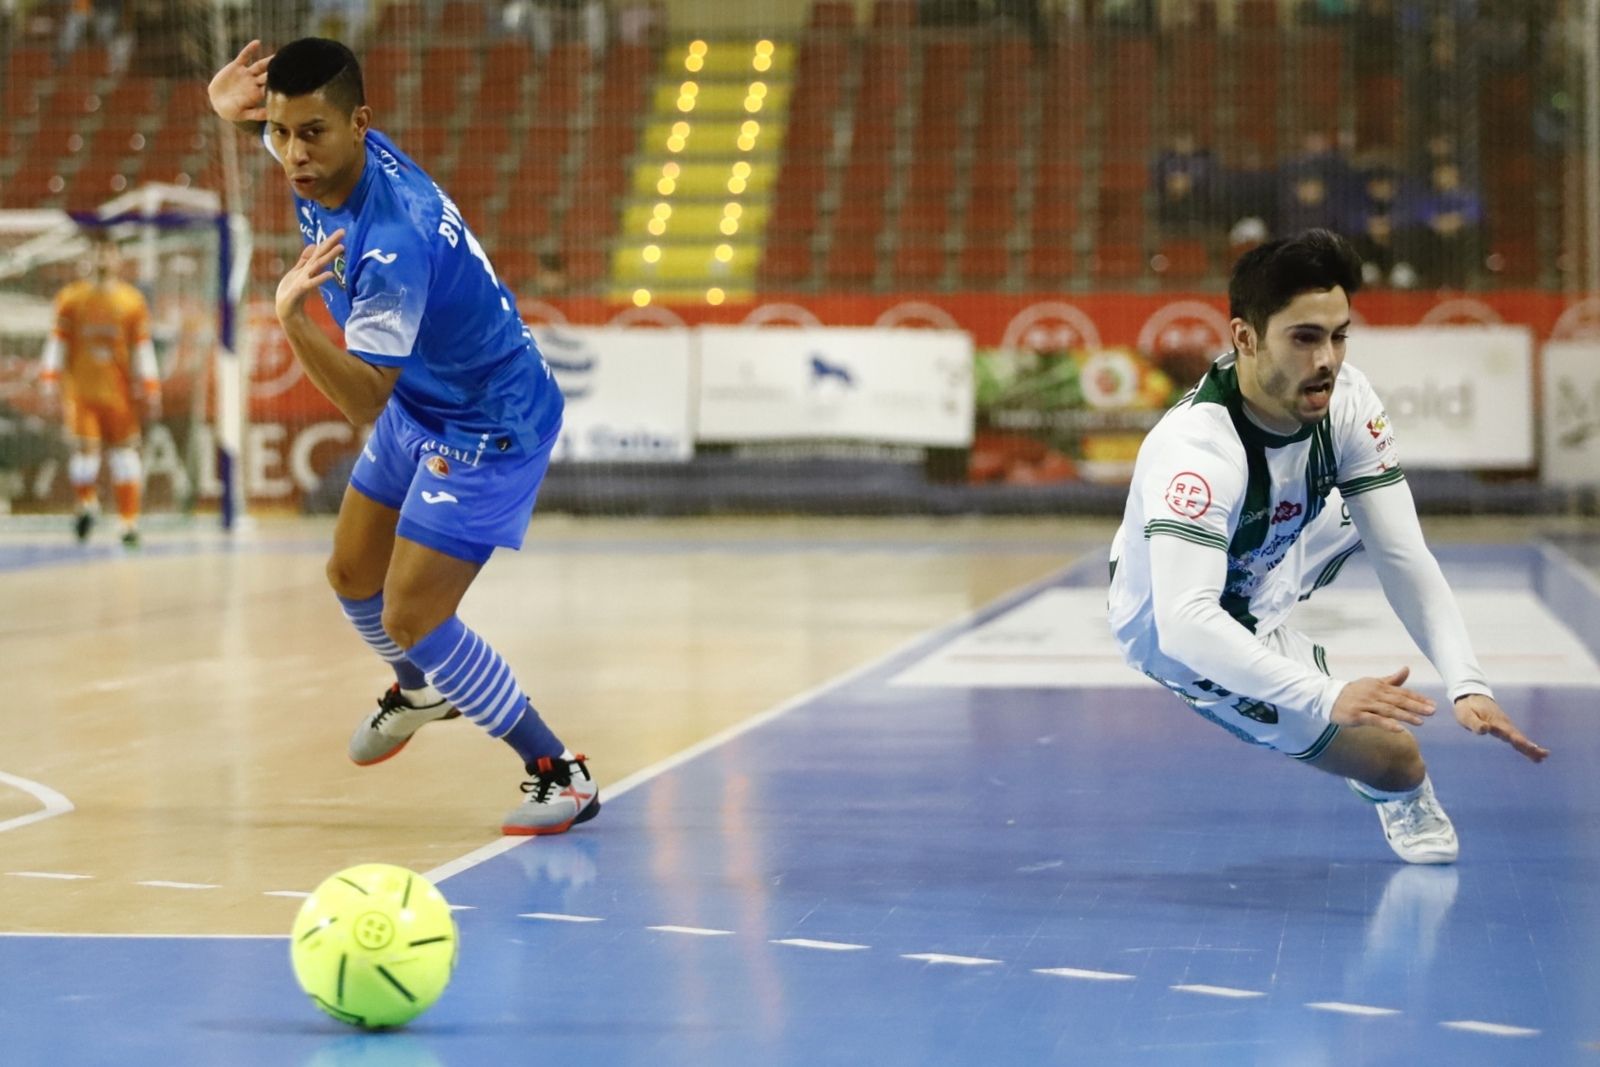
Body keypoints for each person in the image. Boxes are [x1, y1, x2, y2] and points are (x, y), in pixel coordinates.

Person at [206, 37, 598, 836]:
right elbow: (293, 128)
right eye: (278, 133)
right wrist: (231, 112)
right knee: (350, 571)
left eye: (309, 134)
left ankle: (560, 770)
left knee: (413, 611)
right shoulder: (332, 156)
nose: (291, 154)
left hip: (490, 420)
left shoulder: (394, 241)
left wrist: (290, 319)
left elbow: (360, 400)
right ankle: (421, 688)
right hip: (425, 401)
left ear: (360, 124)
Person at [1107, 228, 1547, 865]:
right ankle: (1399, 797)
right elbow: (1184, 623)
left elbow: (1402, 554)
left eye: (1339, 335)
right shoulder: (1197, 452)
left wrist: (1466, 682)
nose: (1328, 361)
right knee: (1396, 759)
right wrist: (1326, 694)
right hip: (1188, 622)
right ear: (1245, 338)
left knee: (1373, 512)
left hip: (1269, 553)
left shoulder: (1346, 402)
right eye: (1305, 338)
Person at [38, 232, 160, 547]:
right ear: (88, 258)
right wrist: (49, 377)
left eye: (108, 253)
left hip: (120, 393)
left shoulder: (131, 301)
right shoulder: (71, 298)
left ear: (118, 259)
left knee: (125, 456)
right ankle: (87, 504)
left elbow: (141, 346)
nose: (103, 259)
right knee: (85, 452)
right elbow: (58, 341)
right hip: (81, 392)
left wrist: (150, 383)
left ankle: (128, 524)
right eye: (97, 253)